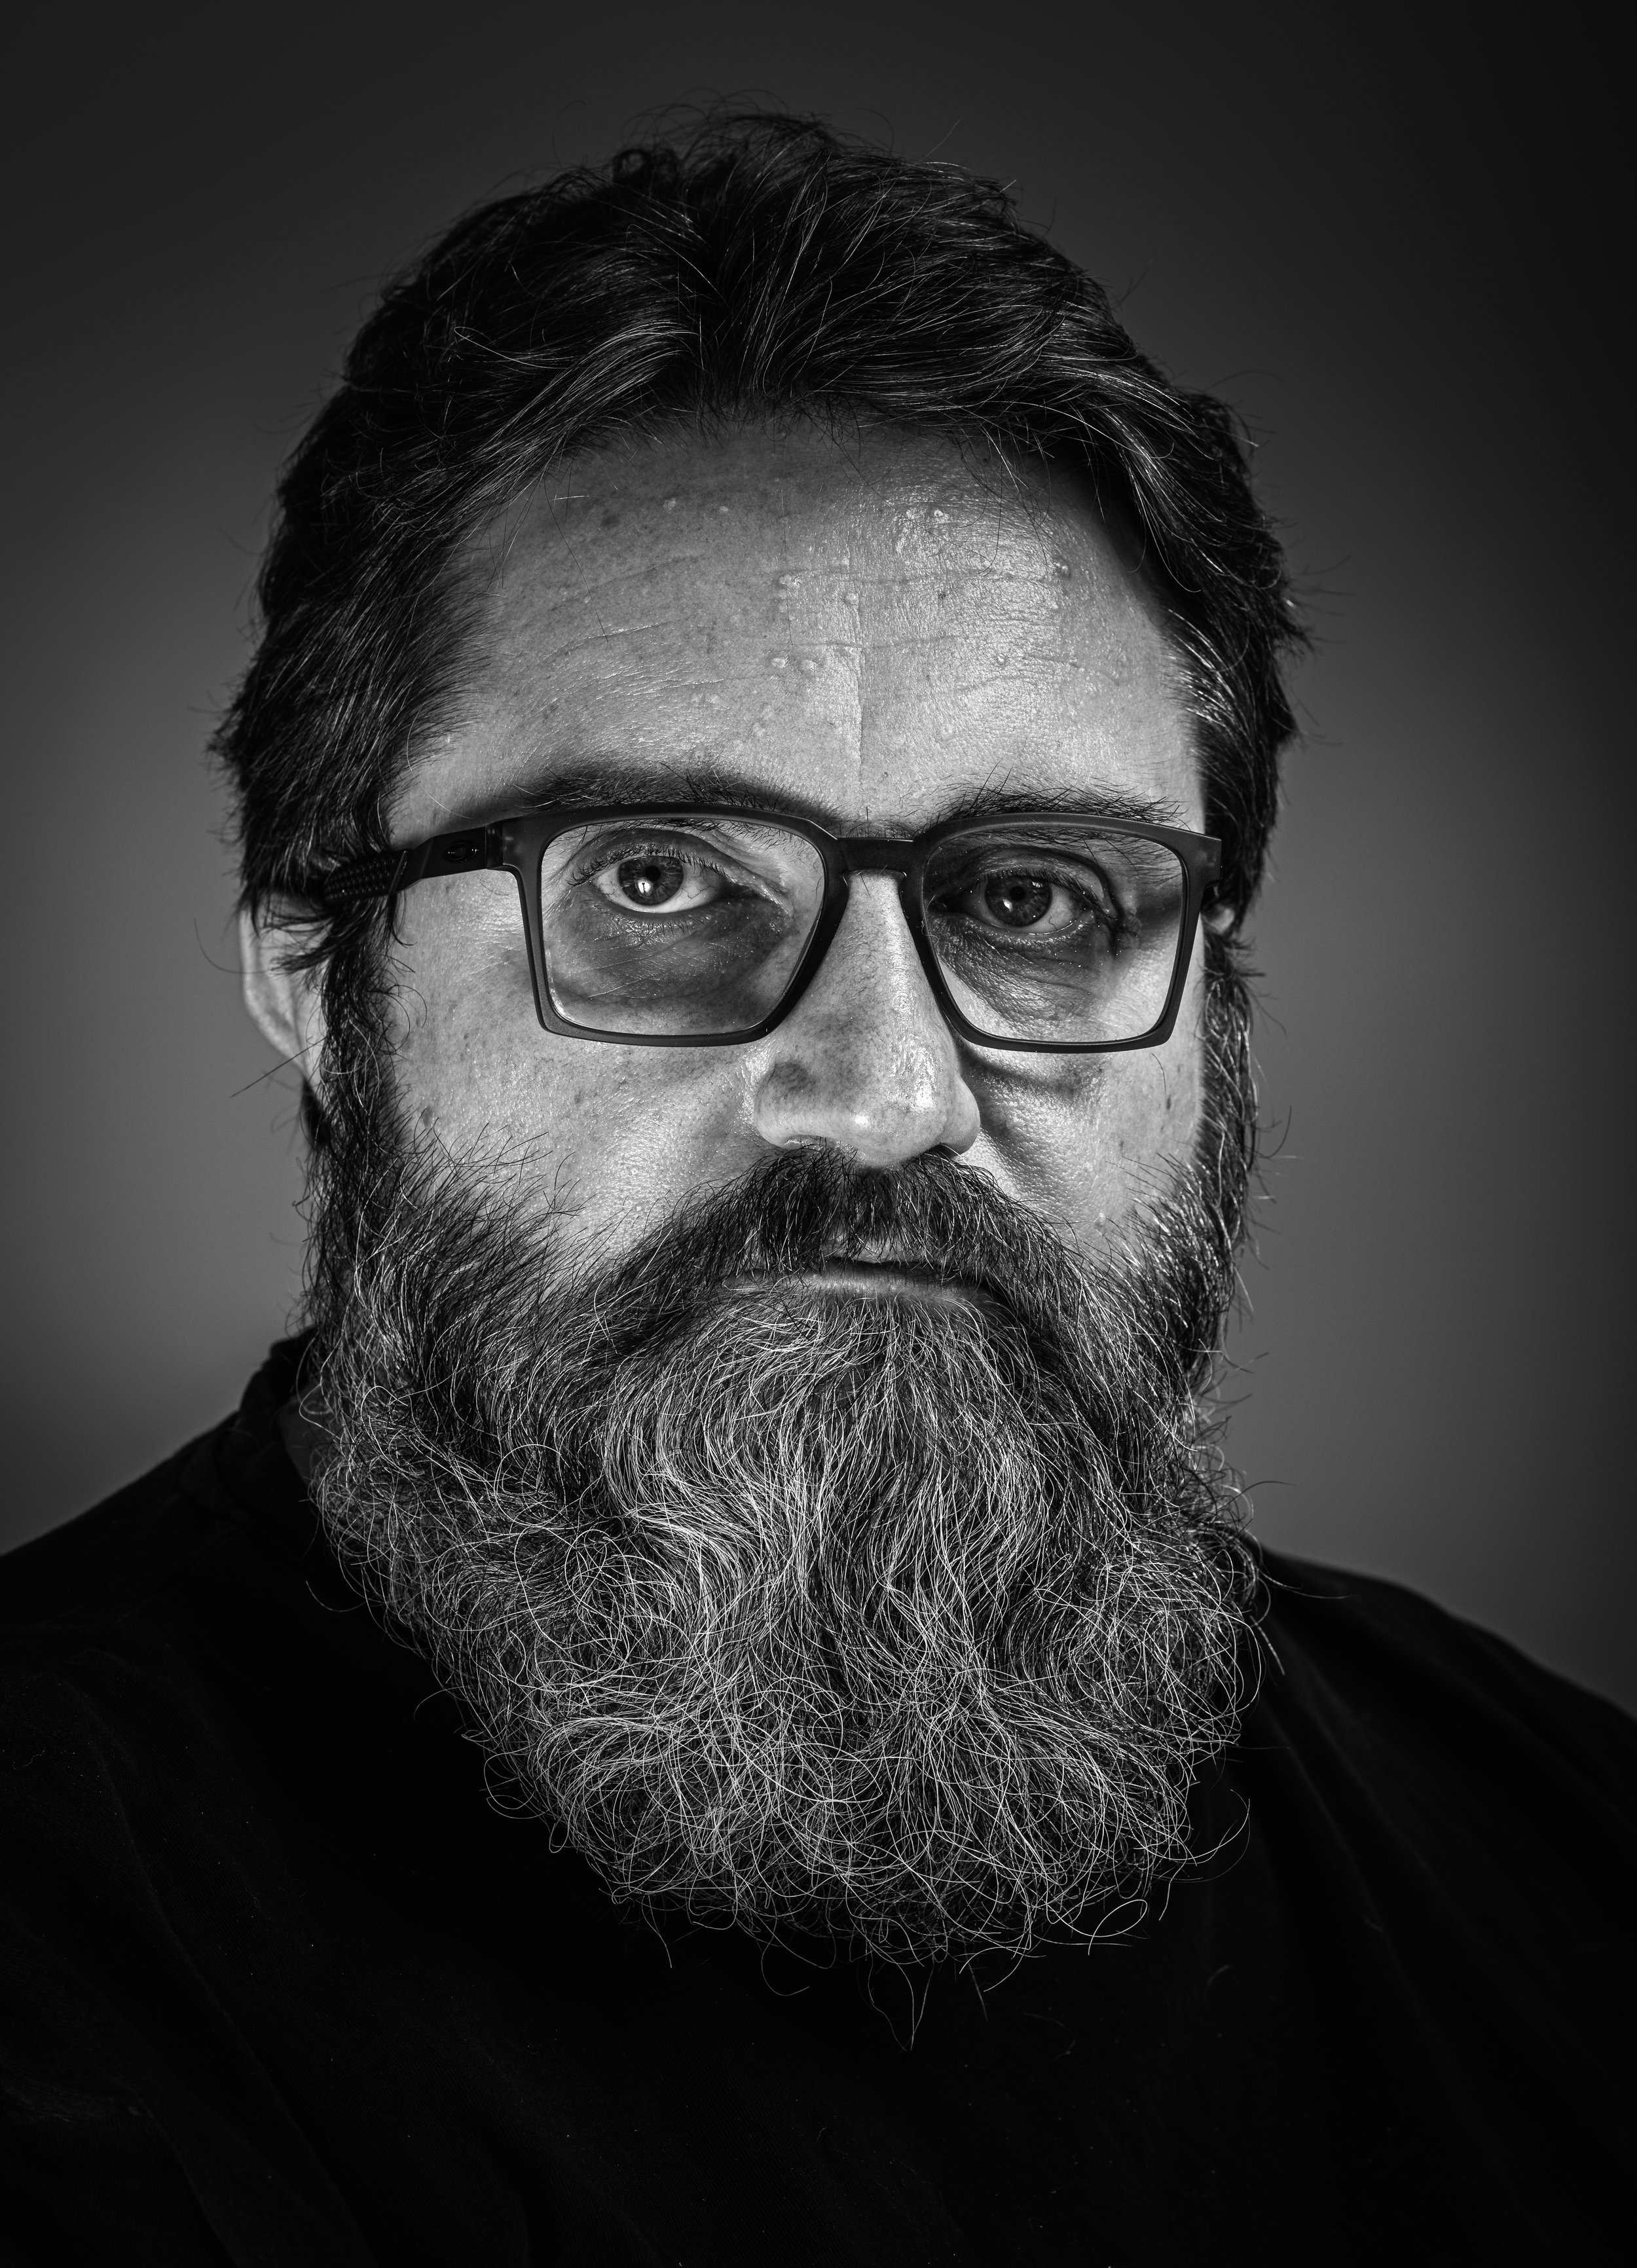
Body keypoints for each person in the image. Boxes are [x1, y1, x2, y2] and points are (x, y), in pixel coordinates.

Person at [1, 113, 1629, 2267]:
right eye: (655, 881)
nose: (882, 1097)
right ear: (320, 981)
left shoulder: (1563, 1856)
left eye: (1030, 897)